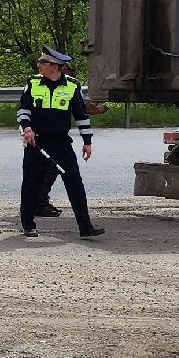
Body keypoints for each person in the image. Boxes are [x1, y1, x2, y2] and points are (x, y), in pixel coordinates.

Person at [17, 46, 105, 239]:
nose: (39, 65)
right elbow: (23, 110)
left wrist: (87, 141)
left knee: (75, 183)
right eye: (40, 62)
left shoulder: (73, 86)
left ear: (54, 67)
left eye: (43, 63)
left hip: (61, 144)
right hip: (36, 143)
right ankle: (28, 225)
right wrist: (27, 128)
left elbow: (81, 116)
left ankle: (85, 227)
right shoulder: (32, 83)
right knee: (31, 184)